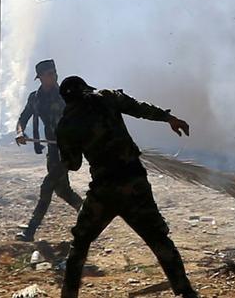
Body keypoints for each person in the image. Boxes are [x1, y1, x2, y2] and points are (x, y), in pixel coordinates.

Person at [54, 77, 199, 298]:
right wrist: (169, 118)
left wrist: (65, 146)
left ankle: (69, 295)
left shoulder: (66, 124)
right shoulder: (107, 98)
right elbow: (139, 108)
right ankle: (185, 292)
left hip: (104, 191)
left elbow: (73, 165)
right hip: (134, 184)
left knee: (80, 243)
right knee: (159, 239)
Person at [14, 59, 83, 241]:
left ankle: (30, 231)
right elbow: (22, 118)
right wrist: (20, 133)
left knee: (47, 187)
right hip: (53, 149)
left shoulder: (66, 95)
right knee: (62, 191)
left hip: (68, 150)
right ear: (40, 78)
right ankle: (87, 213)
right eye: (49, 73)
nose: (54, 76)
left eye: (54, 72)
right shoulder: (35, 98)